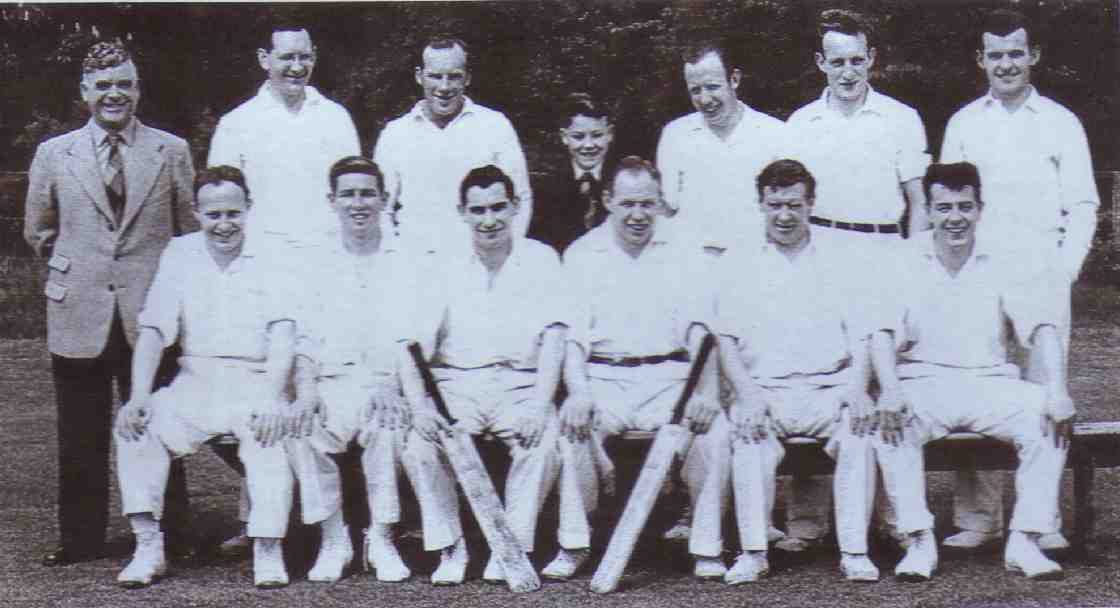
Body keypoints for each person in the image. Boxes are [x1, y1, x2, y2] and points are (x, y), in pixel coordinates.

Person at [23, 39, 197, 566]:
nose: (114, 95)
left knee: (157, 423)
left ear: (139, 89)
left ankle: (173, 533)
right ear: (84, 92)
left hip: (150, 316)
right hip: (78, 309)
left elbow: (188, 232)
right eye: (103, 86)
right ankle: (79, 538)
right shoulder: (55, 153)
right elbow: (39, 230)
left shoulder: (171, 150)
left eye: (124, 83)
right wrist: (82, 272)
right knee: (79, 431)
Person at [938, 8, 1096, 551]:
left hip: (1039, 276)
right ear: (981, 61)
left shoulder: (1060, 122)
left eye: (1015, 53)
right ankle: (979, 518)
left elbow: (1082, 205)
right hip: (976, 275)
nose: (1006, 64)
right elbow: (945, 205)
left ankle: (1042, 518)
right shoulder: (963, 123)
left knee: (1043, 392)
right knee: (976, 382)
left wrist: (1064, 271)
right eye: (995, 55)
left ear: (1033, 57)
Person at [871, 162, 1074, 581]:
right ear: (927, 210)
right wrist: (889, 388)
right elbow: (881, 333)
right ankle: (918, 541)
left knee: (1046, 417)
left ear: (981, 209)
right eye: (944, 207)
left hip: (990, 383)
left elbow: (1042, 328)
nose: (955, 218)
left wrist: (1057, 391)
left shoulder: (1004, 258)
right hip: (924, 382)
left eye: (965, 206)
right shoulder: (902, 258)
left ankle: (1025, 540)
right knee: (889, 425)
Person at [113, 166, 300, 588]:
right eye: (213, 215)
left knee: (269, 435)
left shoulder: (274, 254)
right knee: (136, 428)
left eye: (233, 213)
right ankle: (148, 546)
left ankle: (267, 547)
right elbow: (154, 329)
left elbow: (283, 335)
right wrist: (139, 395)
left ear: (249, 209)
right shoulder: (179, 253)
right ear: (197, 213)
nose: (224, 224)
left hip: (255, 379)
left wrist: (273, 397)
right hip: (195, 380)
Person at [551, 157, 729, 581]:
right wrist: (578, 393)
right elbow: (573, 341)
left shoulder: (684, 250)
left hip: (670, 381)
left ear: (660, 204)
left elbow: (702, 333)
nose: (638, 215)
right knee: (570, 428)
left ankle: (706, 546)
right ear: (608, 200)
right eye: (628, 203)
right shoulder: (581, 254)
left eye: (648, 204)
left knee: (715, 429)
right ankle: (574, 543)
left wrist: (705, 394)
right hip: (604, 380)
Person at [715, 159, 880, 583]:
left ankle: (855, 551)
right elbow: (726, 341)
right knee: (749, 439)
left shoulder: (842, 257)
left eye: (793, 204)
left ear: (811, 204)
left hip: (829, 387)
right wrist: (747, 394)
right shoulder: (739, 260)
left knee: (859, 433)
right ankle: (754, 552)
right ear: (761, 205)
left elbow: (863, 335)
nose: (784, 215)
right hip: (765, 389)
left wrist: (858, 387)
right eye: (774, 205)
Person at [397, 165, 563, 585]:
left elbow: (555, 339)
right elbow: (410, 347)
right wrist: (420, 407)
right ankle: (451, 546)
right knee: (420, 446)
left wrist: (541, 406)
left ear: (515, 206)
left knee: (542, 443)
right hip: (457, 385)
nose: (489, 219)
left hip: (520, 386)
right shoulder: (443, 266)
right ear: (463, 212)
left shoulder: (541, 259)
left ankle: (510, 547)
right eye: (478, 210)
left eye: (498, 207)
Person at [284, 156, 419, 583]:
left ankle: (380, 536)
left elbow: (412, 337)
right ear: (332, 201)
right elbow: (302, 339)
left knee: (386, 424)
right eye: (348, 194)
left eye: (367, 194)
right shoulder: (313, 261)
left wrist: (391, 383)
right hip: (330, 382)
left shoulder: (405, 258)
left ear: (383, 199)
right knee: (304, 427)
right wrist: (306, 391)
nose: (358, 203)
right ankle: (333, 537)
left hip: (386, 382)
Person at [208, 19, 361, 247]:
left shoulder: (337, 118)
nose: (298, 67)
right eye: (288, 57)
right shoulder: (235, 124)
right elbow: (220, 201)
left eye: (305, 57)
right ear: (264, 59)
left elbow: (353, 191)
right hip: (261, 256)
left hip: (328, 254)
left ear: (315, 56)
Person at [373, 36, 533, 253]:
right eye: (435, 76)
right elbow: (380, 208)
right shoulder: (395, 134)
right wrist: (393, 253)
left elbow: (520, 198)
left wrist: (504, 254)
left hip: (480, 261)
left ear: (467, 78)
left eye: (454, 77)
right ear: (419, 76)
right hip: (416, 262)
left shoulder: (495, 125)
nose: (444, 86)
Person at [784, 9, 930, 247]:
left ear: (871, 57)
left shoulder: (902, 118)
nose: (848, 73)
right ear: (821, 62)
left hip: (882, 248)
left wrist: (913, 259)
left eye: (857, 60)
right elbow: (787, 200)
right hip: (818, 249)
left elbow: (920, 201)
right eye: (838, 62)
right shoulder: (800, 123)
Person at [655, 40, 786, 252]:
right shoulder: (675, 135)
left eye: (712, 87)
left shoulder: (775, 133)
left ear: (734, 79)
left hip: (756, 266)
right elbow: (665, 210)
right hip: (693, 267)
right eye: (695, 90)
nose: (705, 99)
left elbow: (787, 211)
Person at [527, 92, 615, 254]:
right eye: (578, 137)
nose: (588, 145)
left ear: (609, 134)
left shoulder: (620, 181)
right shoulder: (546, 188)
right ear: (564, 137)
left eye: (597, 135)